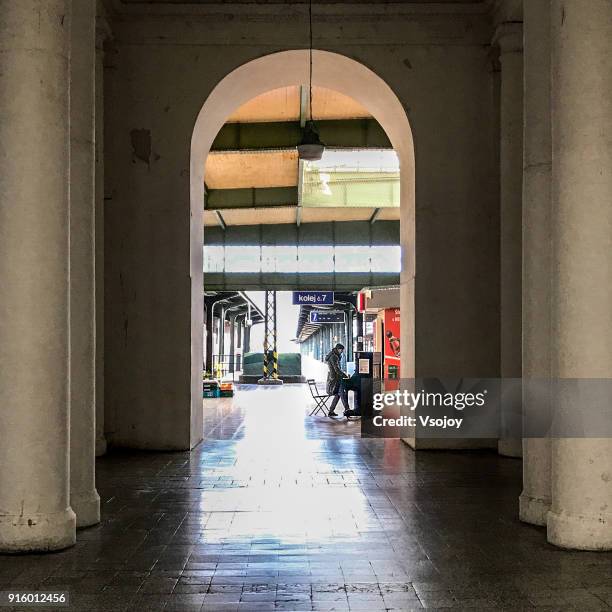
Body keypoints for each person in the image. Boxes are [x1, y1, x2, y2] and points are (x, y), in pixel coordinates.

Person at [325, 343, 350, 417]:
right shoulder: (334, 357)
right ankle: (347, 409)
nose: (342, 351)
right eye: (341, 350)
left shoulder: (333, 355)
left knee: (338, 395)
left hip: (334, 378)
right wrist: (344, 375)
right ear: (338, 349)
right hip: (336, 379)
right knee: (342, 394)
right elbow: (337, 369)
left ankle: (331, 411)